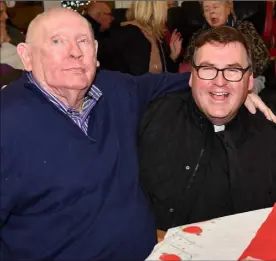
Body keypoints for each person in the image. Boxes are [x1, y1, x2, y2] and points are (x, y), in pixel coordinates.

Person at [0, 8, 274, 261]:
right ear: (26, 56)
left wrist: (229, 89)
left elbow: (172, 81)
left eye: (83, 40)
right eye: (57, 41)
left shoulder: (115, 90)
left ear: (95, 51)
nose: (74, 52)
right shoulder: (8, 123)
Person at [138, 26, 276, 232]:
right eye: (207, 69)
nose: (219, 82)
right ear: (192, 76)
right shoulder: (154, 117)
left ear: (249, 81)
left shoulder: (269, 137)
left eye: (233, 70)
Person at [182, 0, 270, 93]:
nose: (211, 11)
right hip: (210, 80)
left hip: (247, 78)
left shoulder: (245, 28)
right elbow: (187, 66)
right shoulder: (198, 36)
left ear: (228, 9)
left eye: (215, 7)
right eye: (207, 9)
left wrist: (236, 74)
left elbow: (263, 59)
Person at [98, 1, 183, 75]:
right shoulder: (128, 34)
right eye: (167, 6)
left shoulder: (156, 34)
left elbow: (164, 75)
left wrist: (172, 57)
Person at [0, 1, 24, 70]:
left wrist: (8, 39)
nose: (6, 16)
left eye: (5, 11)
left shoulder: (12, 31)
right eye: (0, 12)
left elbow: (28, 48)